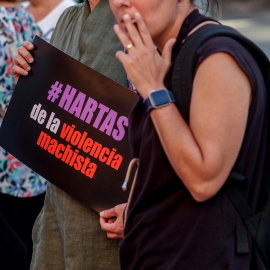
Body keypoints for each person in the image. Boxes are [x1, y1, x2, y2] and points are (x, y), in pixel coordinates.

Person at [100, 0, 268, 269]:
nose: (121, 2)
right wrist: (141, 208)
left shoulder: (217, 56)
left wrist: (153, 91)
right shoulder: (170, 54)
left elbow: (204, 181)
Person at [12, 0, 128, 269]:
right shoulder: (68, 18)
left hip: (113, 217)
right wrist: (29, 83)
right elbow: (53, 113)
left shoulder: (143, 15)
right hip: (57, 213)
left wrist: (144, 206)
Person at [0, 1, 46, 269]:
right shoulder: (27, 19)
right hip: (33, 154)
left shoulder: (23, 18)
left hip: (10, 161)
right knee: (29, 247)